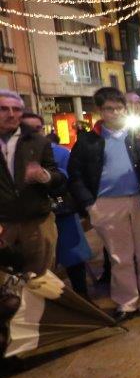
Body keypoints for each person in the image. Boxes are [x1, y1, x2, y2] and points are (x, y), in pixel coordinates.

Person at [67, 87, 140, 320]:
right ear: (100, 111)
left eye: (119, 108)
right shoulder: (88, 140)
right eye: (109, 108)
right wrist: (89, 204)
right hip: (106, 203)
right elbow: (75, 175)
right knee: (120, 256)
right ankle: (126, 303)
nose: (115, 112)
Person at [19, 112, 90, 294]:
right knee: (40, 264)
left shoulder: (60, 152)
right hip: (31, 217)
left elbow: (71, 179)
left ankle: (83, 298)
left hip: (62, 211)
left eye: (38, 128)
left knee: (73, 257)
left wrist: (48, 178)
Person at [0, 92, 63, 274]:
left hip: (37, 222)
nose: (11, 114)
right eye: (3, 109)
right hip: (4, 224)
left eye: (16, 109)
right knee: (6, 284)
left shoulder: (38, 142)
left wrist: (45, 176)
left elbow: (57, 177)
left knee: (40, 279)